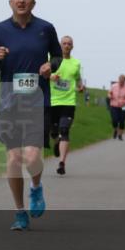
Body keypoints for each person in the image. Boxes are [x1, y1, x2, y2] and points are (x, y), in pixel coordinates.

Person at [0, 0, 62, 231]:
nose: (22, 0)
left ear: (33, 3)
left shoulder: (45, 29)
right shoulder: (0, 30)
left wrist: (51, 66)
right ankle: (19, 212)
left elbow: (57, 56)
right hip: (9, 103)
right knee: (15, 158)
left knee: (32, 156)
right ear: (10, 1)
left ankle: (36, 188)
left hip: (38, 101)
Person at [49, 35, 84, 175]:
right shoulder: (52, 60)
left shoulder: (76, 63)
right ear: (60, 45)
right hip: (52, 102)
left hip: (68, 102)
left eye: (69, 44)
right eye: (64, 43)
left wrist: (81, 86)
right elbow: (43, 73)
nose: (67, 46)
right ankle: (56, 142)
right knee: (53, 132)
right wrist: (50, 76)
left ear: (72, 46)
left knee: (64, 130)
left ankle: (62, 163)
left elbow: (78, 78)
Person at [108, 75, 125, 140]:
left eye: (122, 81)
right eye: (120, 81)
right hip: (114, 105)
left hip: (124, 107)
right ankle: (115, 130)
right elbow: (109, 93)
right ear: (118, 80)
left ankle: (120, 135)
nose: (121, 82)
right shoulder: (114, 86)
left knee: (122, 121)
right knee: (114, 120)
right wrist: (110, 96)